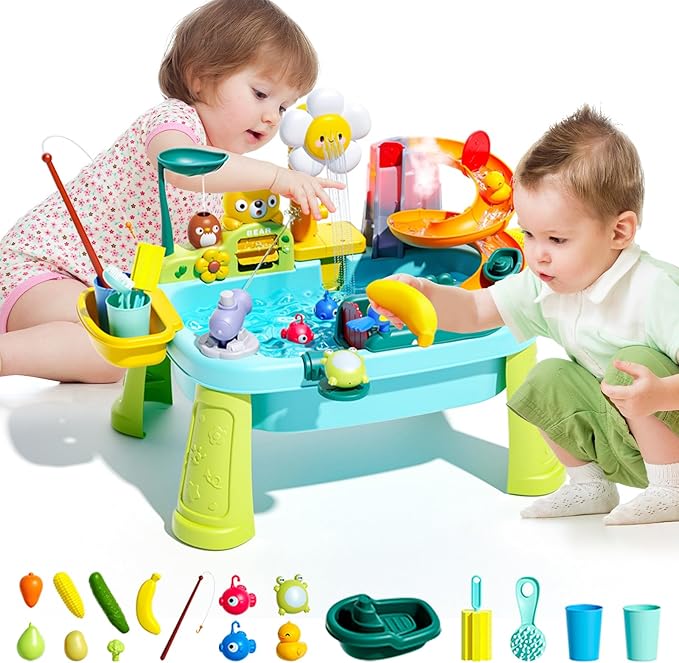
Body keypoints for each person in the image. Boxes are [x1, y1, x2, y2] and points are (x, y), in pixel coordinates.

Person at [0, 0, 342, 384]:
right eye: (261, 94)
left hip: (96, 286)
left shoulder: (223, 169)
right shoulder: (174, 122)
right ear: (200, 78)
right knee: (115, 352)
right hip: (41, 270)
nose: (271, 118)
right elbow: (179, 164)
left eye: (283, 107)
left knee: (133, 339)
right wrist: (275, 177)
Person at [373, 105, 679, 526]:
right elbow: (477, 310)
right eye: (529, 234)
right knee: (547, 376)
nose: (537, 254)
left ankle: (671, 489)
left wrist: (661, 394)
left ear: (619, 232)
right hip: (625, 442)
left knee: (632, 366)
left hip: (669, 427)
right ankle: (590, 485)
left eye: (557, 239)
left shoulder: (656, 290)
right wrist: (425, 296)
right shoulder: (546, 286)